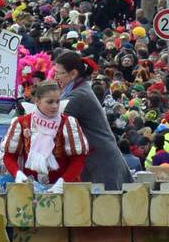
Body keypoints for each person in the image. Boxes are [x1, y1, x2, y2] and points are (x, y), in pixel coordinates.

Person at [51, 52, 128, 188]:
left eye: (59, 73)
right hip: (97, 161)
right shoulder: (77, 90)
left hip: (101, 163)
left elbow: (52, 121)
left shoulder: (78, 96)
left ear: (73, 73)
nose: (55, 77)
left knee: (104, 206)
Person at [0, 80, 90, 185]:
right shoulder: (22, 122)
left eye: (57, 101)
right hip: (30, 187)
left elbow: (78, 159)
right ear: (37, 101)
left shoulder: (68, 123)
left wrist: (62, 183)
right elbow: (9, 156)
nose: (55, 106)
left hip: (64, 189)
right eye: (50, 102)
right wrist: (18, 174)